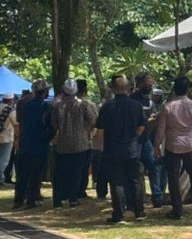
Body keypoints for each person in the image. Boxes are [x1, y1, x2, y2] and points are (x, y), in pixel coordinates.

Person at [96, 75, 146, 224]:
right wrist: (133, 137)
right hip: (131, 148)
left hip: (112, 149)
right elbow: (142, 126)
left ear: (113, 89)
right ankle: (139, 211)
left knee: (117, 181)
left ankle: (118, 213)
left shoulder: (107, 106)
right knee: (135, 180)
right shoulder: (136, 106)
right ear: (128, 88)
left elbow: (100, 131)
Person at [155, 76, 192, 219]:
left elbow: (161, 129)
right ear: (188, 89)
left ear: (174, 90)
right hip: (189, 144)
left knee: (173, 177)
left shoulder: (168, 106)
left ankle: (177, 209)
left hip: (172, 145)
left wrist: (157, 145)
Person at [51, 79, 97, 208]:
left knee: (61, 172)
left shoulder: (57, 106)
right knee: (77, 172)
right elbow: (93, 120)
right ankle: (73, 198)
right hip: (81, 143)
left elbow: (54, 124)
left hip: (63, 143)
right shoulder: (83, 104)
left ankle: (58, 199)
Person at [14, 79, 52, 210]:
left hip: (26, 143)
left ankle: (18, 199)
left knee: (23, 174)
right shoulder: (46, 107)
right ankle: (31, 199)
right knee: (36, 174)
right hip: (40, 144)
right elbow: (49, 126)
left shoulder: (25, 105)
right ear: (45, 92)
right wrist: (48, 137)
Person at [131, 73, 165, 207]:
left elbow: (150, 122)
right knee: (136, 170)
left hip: (146, 140)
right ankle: (136, 198)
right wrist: (148, 120)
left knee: (153, 166)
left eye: (151, 84)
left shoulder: (149, 102)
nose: (150, 86)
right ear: (139, 84)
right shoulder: (133, 100)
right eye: (148, 84)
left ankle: (157, 196)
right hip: (134, 140)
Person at [0, 93, 16, 187]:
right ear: (11, 100)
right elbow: (15, 123)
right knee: (4, 160)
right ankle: (1, 179)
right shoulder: (10, 110)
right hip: (7, 137)